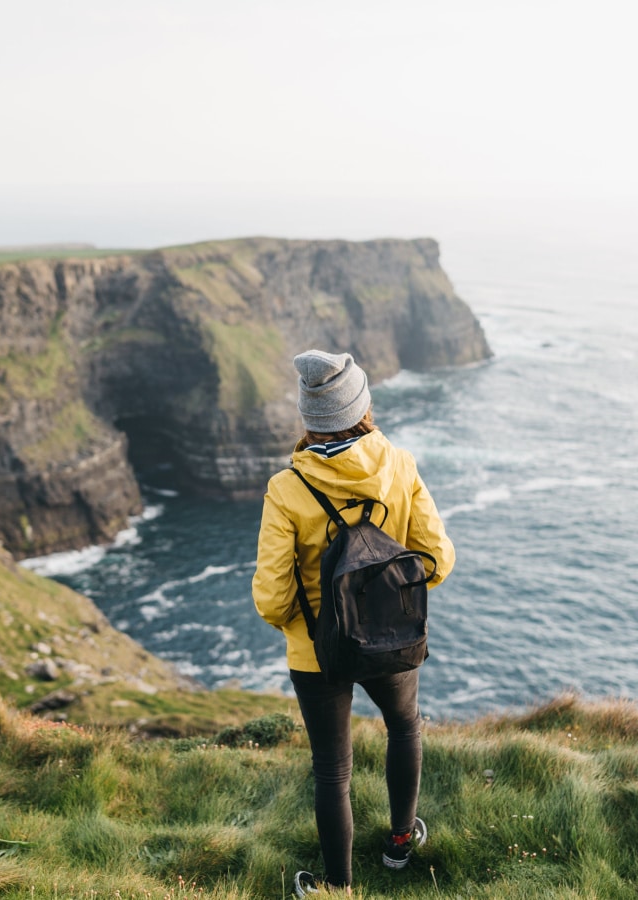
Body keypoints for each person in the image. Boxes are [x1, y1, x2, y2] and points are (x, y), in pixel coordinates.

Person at [252, 349, 456, 896]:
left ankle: (338, 889)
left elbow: (272, 598)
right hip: (390, 635)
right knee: (406, 726)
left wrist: (312, 625)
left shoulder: (287, 489)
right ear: (362, 404)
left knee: (332, 772)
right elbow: (437, 559)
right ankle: (398, 845)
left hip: (317, 651)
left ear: (308, 417)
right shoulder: (399, 462)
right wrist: (386, 601)